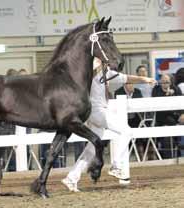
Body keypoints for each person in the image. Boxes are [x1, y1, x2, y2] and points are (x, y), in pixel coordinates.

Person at [61, 57, 156, 192]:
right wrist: (98, 63)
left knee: (91, 149)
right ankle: (116, 165)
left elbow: (126, 78)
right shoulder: (91, 71)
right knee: (127, 131)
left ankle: (71, 178)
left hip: (99, 112)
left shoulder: (108, 73)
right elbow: (89, 72)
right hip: (96, 111)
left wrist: (145, 80)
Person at [152, 74, 183, 158]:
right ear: (160, 82)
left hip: (175, 114)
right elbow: (156, 103)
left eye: (167, 82)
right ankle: (176, 146)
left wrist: (182, 114)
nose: (165, 84)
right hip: (161, 116)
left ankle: (179, 145)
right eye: (163, 82)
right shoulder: (156, 89)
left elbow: (181, 102)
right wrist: (167, 94)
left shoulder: (176, 88)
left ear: (171, 82)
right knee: (171, 121)